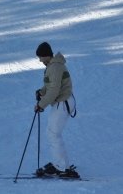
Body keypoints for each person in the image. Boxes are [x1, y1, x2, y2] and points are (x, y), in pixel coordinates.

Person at [34, 42, 79, 178]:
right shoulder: (54, 66)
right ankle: (59, 164)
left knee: (53, 134)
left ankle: (62, 168)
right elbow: (51, 86)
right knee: (52, 133)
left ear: (46, 55)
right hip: (63, 102)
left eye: (41, 57)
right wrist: (41, 91)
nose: (40, 60)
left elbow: (54, 91)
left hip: (62, 102)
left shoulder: (54, 67)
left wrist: (41, 105)